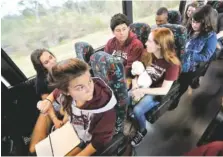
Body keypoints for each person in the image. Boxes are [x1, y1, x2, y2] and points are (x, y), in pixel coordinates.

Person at [30, 58, 117, 156]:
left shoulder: (104, 110)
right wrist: (48, 100)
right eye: (80, 87)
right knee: (34, 152)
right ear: (66, 92)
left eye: (89, 81)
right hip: (72, 130)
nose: (90, 89)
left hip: (86, 141)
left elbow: (99, 141)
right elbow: (56, 93)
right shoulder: (64, 94)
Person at [129, 27, 181, 146]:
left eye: (149, 41)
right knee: (126, 98)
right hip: (142, 84)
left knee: (137, 110)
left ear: (159, 45)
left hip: (155, 92)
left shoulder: (172, 64)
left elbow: (164, 90)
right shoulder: (148, 53)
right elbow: (138, 71)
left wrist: (141, 90)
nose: (145, 43)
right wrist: (135, 85)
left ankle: (142, 130)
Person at [180, 5, 217, 96]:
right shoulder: (189, 29)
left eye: (197, 22)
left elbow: (205, 56)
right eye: (192, 21)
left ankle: (178, 96)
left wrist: (189, 54)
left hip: (190, 67)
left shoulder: (211, 37)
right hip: (179, 59)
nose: (194, 24)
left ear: (206, 23)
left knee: (182, 84)